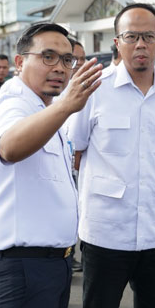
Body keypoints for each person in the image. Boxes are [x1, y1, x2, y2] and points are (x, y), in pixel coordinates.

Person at [70, 4, 155, 308]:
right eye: (131, 36)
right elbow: (76, 151)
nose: (140, 44)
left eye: (148, 36)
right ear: (117, 42)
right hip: (106, 231)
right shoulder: (93, 90)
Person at [0, 23, 102, 308]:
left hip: (54, 264)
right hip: (22, 267)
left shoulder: (46, 108)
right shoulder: (14, 104)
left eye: (66, 60)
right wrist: (65, 108)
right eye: (47, 56)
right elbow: (9, 146)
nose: (59, 67)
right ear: (20, 62)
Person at [67, 37, 86, 274]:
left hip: (80, 169)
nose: (79, 64)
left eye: (82, 59)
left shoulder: (90, 91)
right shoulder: (51, 93)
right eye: (74, 59)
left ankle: (71, 254)